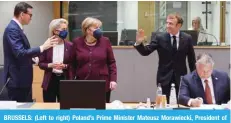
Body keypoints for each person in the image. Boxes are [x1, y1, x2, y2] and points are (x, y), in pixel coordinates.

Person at [134, 13, 196, 103]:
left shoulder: (187, 38)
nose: (167, 26)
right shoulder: (160, 38)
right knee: (164, 106)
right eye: (167, 23)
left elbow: (191, 60)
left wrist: (194, 78)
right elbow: (146, 52)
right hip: (164, 79)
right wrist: (139, 43)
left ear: (179, 25)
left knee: (181, 105)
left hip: (181, 79)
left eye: (171, 24)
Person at [3, 2, 57, 102]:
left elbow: (20, 54)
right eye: (30, 15)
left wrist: (34, 60)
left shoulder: (16, 28)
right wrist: (42, 47)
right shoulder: (12, 29)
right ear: (22, 14)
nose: (31, 18)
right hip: (17, 80)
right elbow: (20, 53)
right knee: (20, 112)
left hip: (21, 79)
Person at [72, 17, 117, 103]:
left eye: (99, 27)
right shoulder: (77, 42)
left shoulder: (105, 41)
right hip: (82, 82)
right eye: (96, 28)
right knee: (83, 109)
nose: (99, 30)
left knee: (101, 111)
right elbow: (72, 63)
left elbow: (111, 62)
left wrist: (113, 80)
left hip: (102, 82)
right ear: (87, 30)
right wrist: (71, 81)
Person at [38, 19, 73, 102]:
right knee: (49, 108)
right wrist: (50, 65)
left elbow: (74, 64)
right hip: (50, 79)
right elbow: (41, 63)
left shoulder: (70, 46)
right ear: (55, 31)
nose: (65, 32)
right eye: (63, 29)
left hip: (65, 79)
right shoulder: (47, 45)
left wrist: (65, 66)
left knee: (65, 108)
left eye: (66, 29)